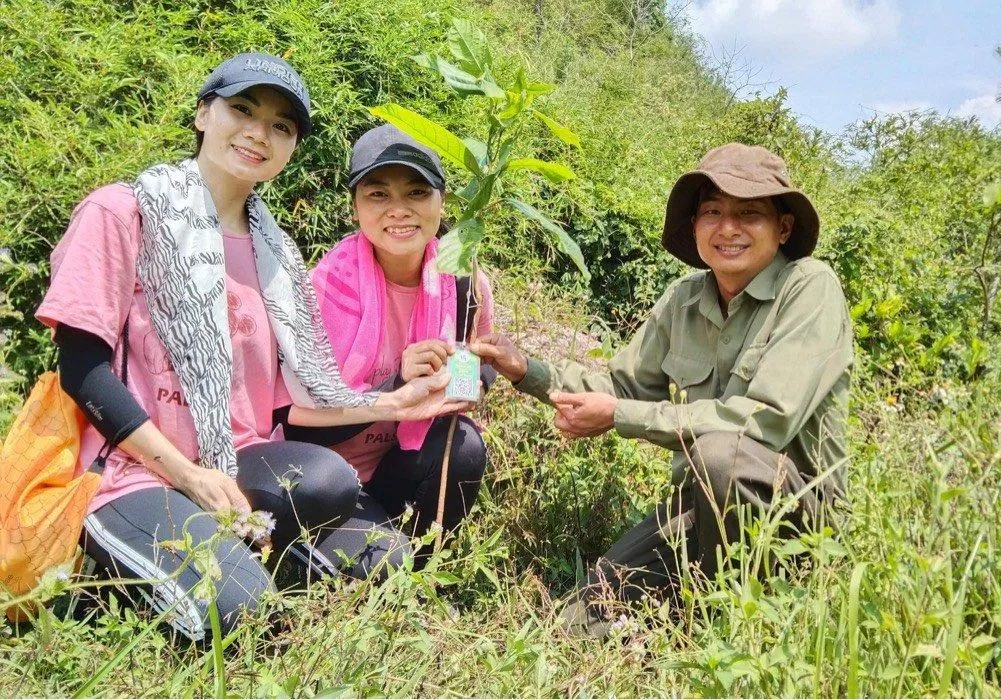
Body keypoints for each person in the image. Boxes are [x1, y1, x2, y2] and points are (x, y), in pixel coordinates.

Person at [34, 53, 466, 642]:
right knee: (240, 615)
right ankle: (105, 570)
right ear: (202, 114)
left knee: (360, 522)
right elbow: (81, 369)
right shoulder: (125, 211)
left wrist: (397, 402)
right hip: (134, 468)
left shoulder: (278, 255)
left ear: (290, 148)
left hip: (238, 458)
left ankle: (239, 551)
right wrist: (186, 474)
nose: (259, 134)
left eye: (282, 126)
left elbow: (291, 408)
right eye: (243, 109)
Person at [471, 143, 853, 633]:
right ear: (695, 225)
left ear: (782, 228)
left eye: (749, 214)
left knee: (721, 455)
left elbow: (766, 419)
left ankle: (728, 628)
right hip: (702, 507)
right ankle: (681, 611)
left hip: (798, 515)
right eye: (712, 211)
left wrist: (619, 416)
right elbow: (622, 385)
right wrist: (524, 369)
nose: (728, 228)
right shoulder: (684, 298)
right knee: (579, 622)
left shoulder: (810, 286)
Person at [301, 124, 494, 577]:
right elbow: (298, 426)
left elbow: (476, 359)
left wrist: (462, 386)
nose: (399, 211)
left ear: (441, 203)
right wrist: (397, 385)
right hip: (326, 474)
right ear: (354, 207)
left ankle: (428, 572)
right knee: (386, 567)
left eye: (416, 192)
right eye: (378, 194)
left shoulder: (463, 281)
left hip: (398, 462)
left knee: (462, 445)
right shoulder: (321, 290)